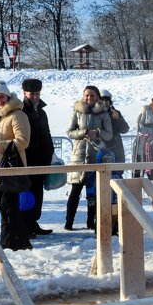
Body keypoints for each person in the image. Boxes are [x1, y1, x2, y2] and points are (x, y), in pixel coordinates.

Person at [0, 82, 32, 251]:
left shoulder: (17, 115)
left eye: (2, 96)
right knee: (4, 207)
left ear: (8, 96)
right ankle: (15, 241)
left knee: (9, 207)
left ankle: (12, 243)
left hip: (12, 168)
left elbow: (23, 141)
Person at [64, 85, 112, 231]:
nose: (89, 98)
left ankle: (91, 222)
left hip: (96, 155)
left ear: (97, 97)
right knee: (75, 190)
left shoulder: (103, 113)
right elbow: (69, 132)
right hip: (79, 155)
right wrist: (84, 132)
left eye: (92, 95)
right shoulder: (77, 110)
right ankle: (69, 221)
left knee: (93, 192)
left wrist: (97, 133)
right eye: (86, 95)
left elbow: (109, 134)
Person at [20, 78, 54, 236]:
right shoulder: (21, 111)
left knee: (38, 193)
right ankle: (25, 224)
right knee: (27, 194)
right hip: (27, 159)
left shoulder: (42, 111)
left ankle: (33, 222)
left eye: (37, 93)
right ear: (25, 93)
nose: (34, 97)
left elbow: (46, 134)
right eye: (31, 93)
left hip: (42, 159)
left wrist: (50, 153)